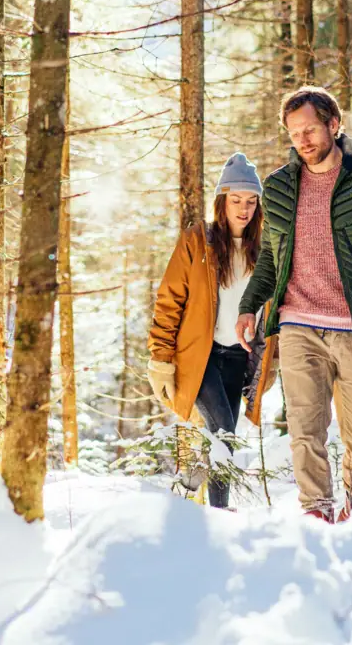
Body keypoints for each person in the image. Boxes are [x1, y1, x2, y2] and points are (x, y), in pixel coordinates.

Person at [236, 86, 352, 523]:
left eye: (310, 129)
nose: (302, 140)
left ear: (333, 125)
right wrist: (249, 304)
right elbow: (269, 258)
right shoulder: (279, 186)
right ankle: (315, 512)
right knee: (305, 428)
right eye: (294, 132)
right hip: (298, 325)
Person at [147, 153, 278, 509]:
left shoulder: (265, 247)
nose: (244, 208)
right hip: (198, 356)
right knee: (224, 429)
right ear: (222, 201)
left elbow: (274, 309)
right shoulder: (197, 241)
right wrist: (160, 359)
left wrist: (271, 361)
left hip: (239, 356)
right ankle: (219, 512)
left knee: (217, 435)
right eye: (236, 200)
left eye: (251, 201)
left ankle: (186, 495)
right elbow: (169, 299)